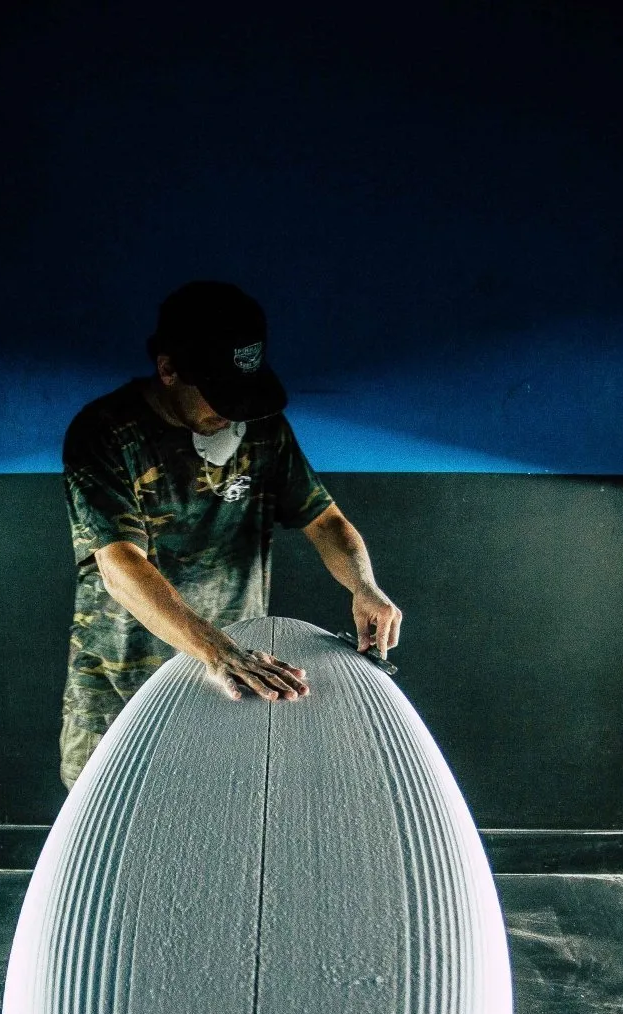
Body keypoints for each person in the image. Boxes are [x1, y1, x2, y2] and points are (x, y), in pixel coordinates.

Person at [57, 281, 404, 787]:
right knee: (108, 827)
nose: (234, 411)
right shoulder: (106, 433)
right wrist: (215, 650)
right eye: (219, 394)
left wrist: (364, 586)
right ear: (169, 369)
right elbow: (119, 565)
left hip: (239, 673)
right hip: (123, 674)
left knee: (219, 818)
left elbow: (324, 520)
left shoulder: (262, 426)